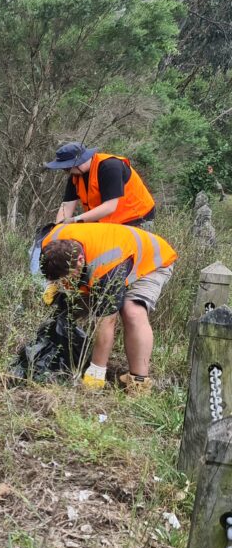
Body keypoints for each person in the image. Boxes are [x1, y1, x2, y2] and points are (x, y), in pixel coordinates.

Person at [39, 223, 177, 393]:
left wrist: (96, 372)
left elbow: (106, 321)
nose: (63, 282)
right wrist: (53, 284)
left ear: (81, 260)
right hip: (109, 254)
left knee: (131, 311)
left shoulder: (106, 265)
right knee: (66, 302)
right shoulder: (50, 243)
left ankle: (138, 382)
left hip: (151, 261)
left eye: (66, 277)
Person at [45, 142, 156, 229]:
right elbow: (66, 206)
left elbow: (109, 207)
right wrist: (59, 228)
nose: (66, 171)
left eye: (67, 167)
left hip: (137, 219)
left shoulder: (110, 167)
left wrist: (75, 220)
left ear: (79, 161)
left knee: (117, 255)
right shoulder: (75, 176)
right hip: (108, 222)